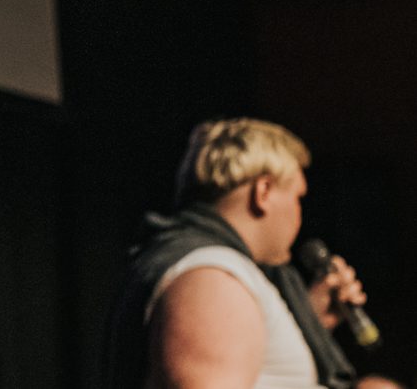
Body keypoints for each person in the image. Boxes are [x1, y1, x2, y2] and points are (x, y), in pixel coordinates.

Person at [104, 117, 393, 389]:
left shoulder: (211, 271)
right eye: (297, 198)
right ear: (264, 192)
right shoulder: (212, 277)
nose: (299, 215)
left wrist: (310, 321)